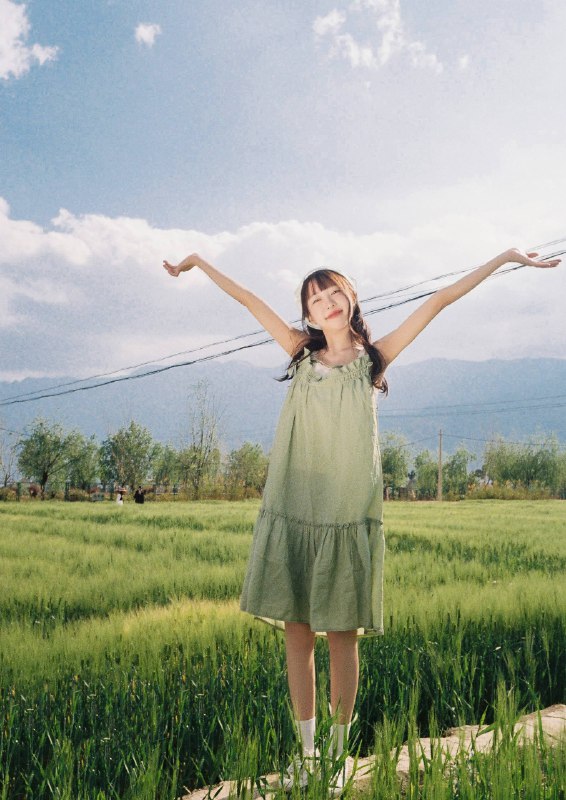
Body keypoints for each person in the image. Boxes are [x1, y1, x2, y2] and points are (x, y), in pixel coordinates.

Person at [163, 247, 560, 795]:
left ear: (351, 298)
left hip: (347, 511)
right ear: (307, 315)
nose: (326, 303)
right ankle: (308, 755)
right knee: (297, 633)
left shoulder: (374, 360)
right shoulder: (300, 353)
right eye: (315, 299)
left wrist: (506, 258)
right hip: (295, 504)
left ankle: (335, 757)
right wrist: (198, 263)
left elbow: (439, 301)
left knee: (341, 636)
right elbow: (249, 299)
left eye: (334, 293)